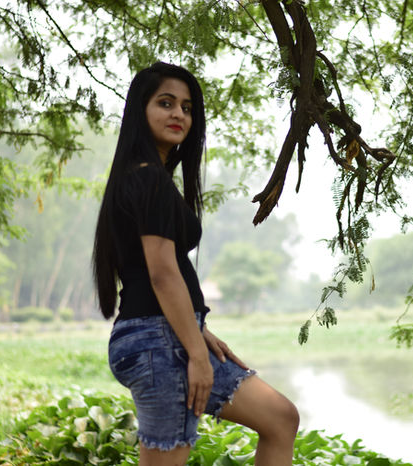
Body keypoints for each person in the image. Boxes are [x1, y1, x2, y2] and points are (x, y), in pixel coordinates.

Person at [92, 62, 299, 465]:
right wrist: (196, 355)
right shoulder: (148, 178)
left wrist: (198, 330)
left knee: (280, 418)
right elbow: (161, 273)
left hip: (166, 334)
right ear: (140, 110)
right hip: (159, 342)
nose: (179, 115)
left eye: (187, 108)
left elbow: (148, 273)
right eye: (165, 103)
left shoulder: (147, 178)